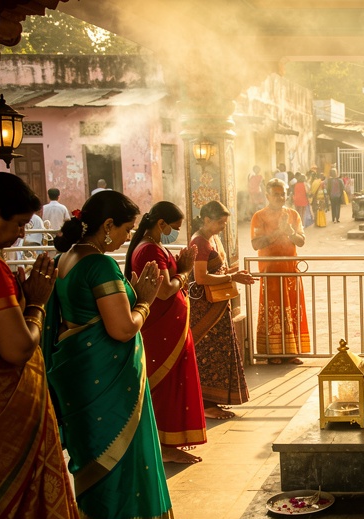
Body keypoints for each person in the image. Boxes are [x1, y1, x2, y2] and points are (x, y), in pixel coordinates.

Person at [0, 173, 93, 519]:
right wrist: (36, 304)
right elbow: (17, 348)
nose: (23, 234)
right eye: (19, 223)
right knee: (4, 515)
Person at [43, 189, 174, 519]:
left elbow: (85, 314)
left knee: (93, 447)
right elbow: (121, 328)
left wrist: (131, 293)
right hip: (107, 375)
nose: (124, 237)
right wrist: (144, 301)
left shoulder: (68, 258)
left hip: (81, 373)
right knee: (116, 449)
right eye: (124, 228)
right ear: (106, 225)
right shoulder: (100, 264)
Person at [125, 201, 206, 464]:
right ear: (161, 224)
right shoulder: (148, 249)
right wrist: (184, 270)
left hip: (170, 328)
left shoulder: (155, 245)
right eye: (175, 227)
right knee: (164, 388)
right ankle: (163, 447)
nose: (176, 232)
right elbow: (165, 290)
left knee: (174, 384)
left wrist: (180, 266)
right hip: (159, 329)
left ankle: (170, 442)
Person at [189, 201, 255, 418]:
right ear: (206, 220)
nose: (222, 227)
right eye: (219, 222)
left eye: (224, 223)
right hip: (205, 307)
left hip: (217, 304)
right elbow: (200, 277)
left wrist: (232, 272)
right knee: (207, 353)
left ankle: (215, 399)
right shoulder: (200, 241)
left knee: (219, 351)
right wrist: (232, 276)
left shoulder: (211, 239)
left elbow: (216, 268)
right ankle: (206, 404)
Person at [252, 178, 310, 363]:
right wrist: (278, 232)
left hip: (290, 271)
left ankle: (291, 352)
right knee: (273, 311)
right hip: (270, 272)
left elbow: (301, 241)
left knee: (291, 310)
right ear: (267, 195)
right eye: (276, 194)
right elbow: (256, 244)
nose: (280, 197)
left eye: (283, 193)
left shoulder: (293, 215)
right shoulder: (259, 216)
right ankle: (273, 353)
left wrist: (290, 231)